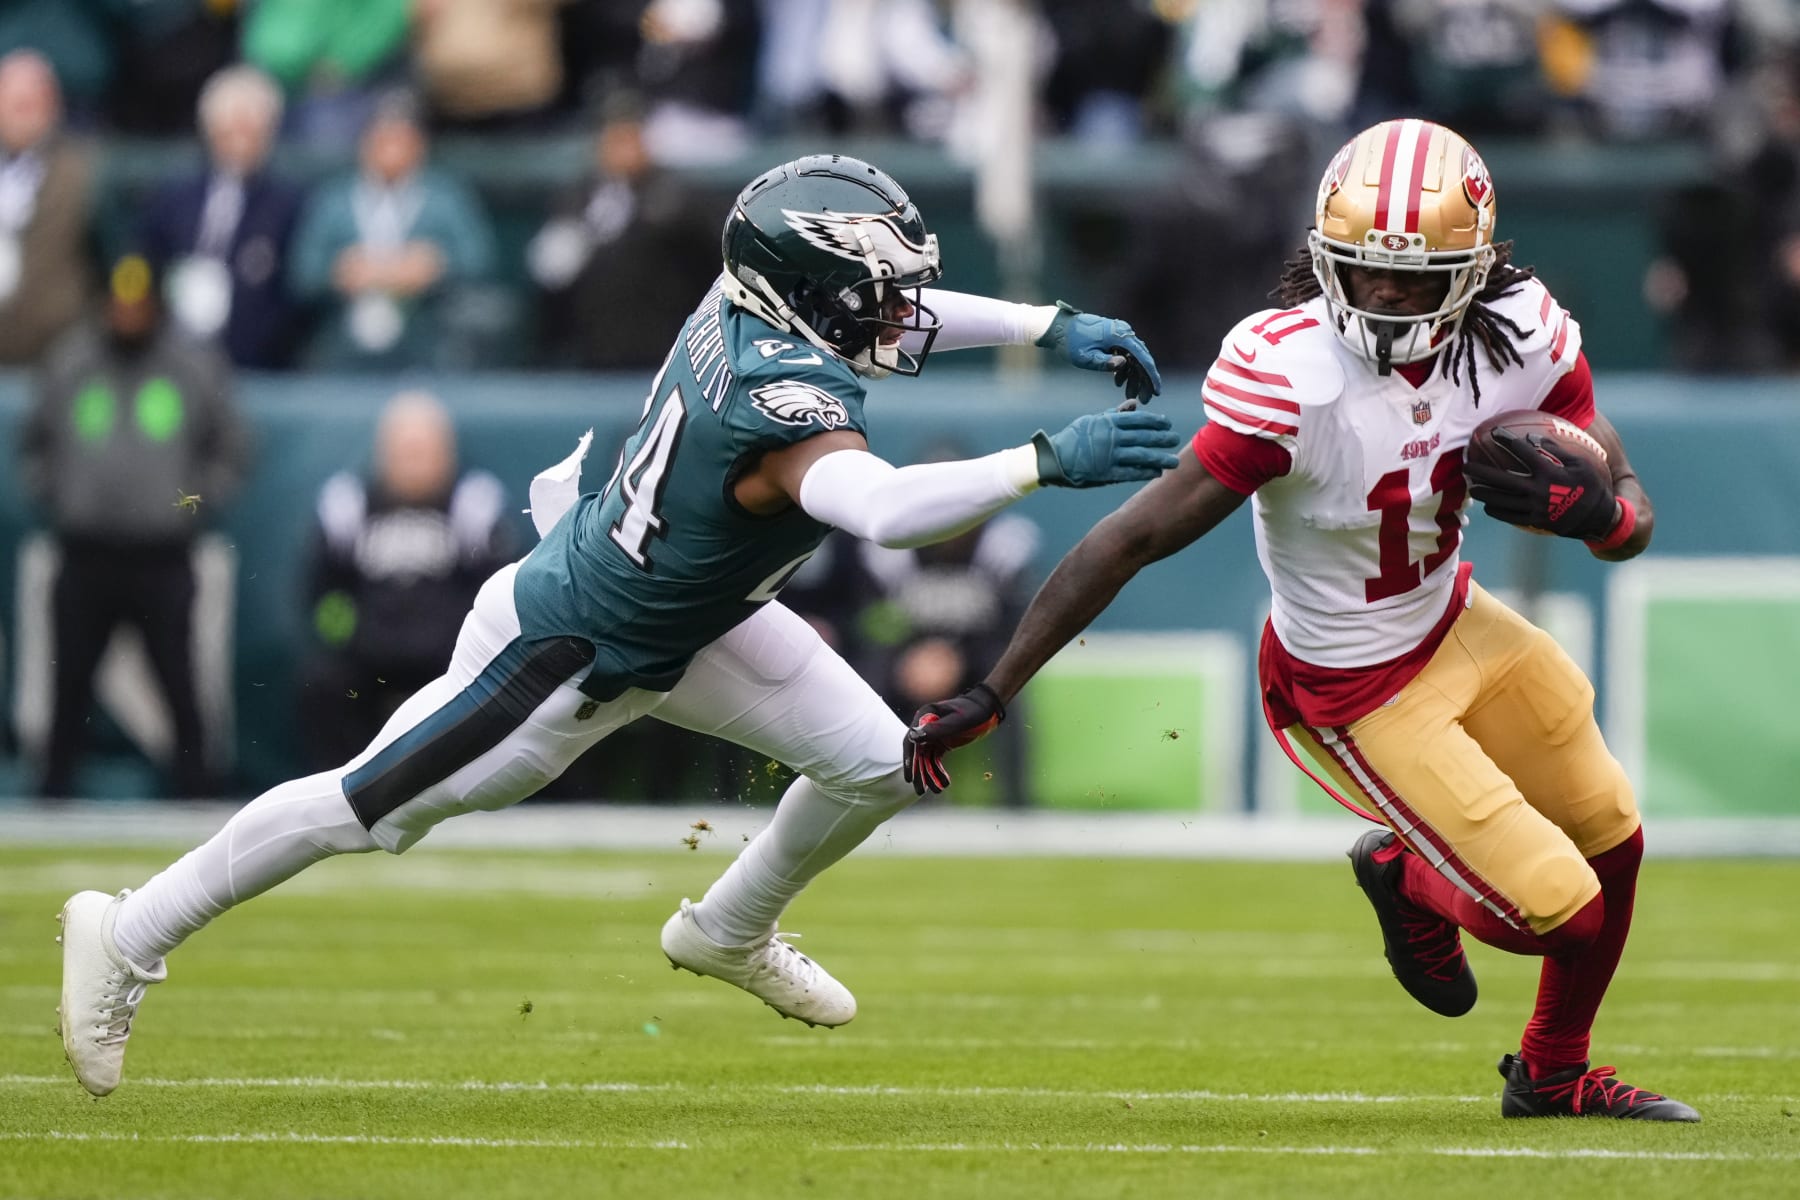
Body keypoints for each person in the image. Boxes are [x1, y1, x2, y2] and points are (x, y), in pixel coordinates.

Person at [55, 153, 1179, 1097]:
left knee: (882, 764)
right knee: (364, 807)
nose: (898, 312)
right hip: (569, 653)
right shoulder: (776, 400)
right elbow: (883, 511)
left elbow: (895, 316)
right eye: (875, 291)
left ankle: (728, 929)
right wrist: (1040, 457)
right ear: (811, 291)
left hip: (692, 620)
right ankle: (131, 928)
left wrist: (1048, 320)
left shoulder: (753, 299)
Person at [905, 119, 1701, 1123]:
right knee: (1559, 911)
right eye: (1364, 273)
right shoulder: (1289, 373)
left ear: (1476, 269)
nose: (1385, 296)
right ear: (1326, 261)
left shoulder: (1518, 329)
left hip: (1456, 621)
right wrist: (992, 689)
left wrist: (1611, 516)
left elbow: (1618, 486)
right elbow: (1133, 538)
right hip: (1351, 689)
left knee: (1614, 840)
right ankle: (1408, 880)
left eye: (1415, 280)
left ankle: (1552, 1074)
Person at [20, 253, 250, 799]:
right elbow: (35, 446)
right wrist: (62, 498)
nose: (127, 315)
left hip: (162, 555)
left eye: (138, 305)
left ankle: (197, 790)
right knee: (68, 679)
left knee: (179, 681)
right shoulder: (70, 363)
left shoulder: (193, 368)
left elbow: (230, 453)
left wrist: (189, 506)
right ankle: (55, 790)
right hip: (85, 551)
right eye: (119, 305)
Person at [298, 391, 516, 770]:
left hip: (452, 658)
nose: (414, 462)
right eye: (405, 451)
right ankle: (341, 788)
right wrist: (350, 637)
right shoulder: (348, 506)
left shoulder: (473, 505)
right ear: (384, 453)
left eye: (424, 450)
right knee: (323, 684)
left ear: (446, 452)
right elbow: (323, 596)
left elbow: (498, 590)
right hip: (369, 658)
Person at [288, 93, 495, 370]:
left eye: (402, 140)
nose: (392, 150)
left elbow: (479, 258)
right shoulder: (334, 199)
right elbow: (303, 271)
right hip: (344, 342)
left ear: (419, 145)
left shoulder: (445, 197)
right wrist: (340, 271)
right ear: (365, 143)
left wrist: (435, 266)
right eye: (383, 139)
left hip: (427, 342)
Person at [138, 65, 308, 369]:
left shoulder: (288, 204)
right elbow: (146, 260)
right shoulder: (176, 198)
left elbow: (295, 293)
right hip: (173, 356)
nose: (239, 140)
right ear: (210, 131)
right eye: (229, 128)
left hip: (253, 361)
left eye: (250, 128)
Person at [0, 50, 92, 366]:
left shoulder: (82, 172)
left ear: (52, 106)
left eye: (31, 104)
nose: (22, 116)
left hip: (57, 349)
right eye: (14, 105)